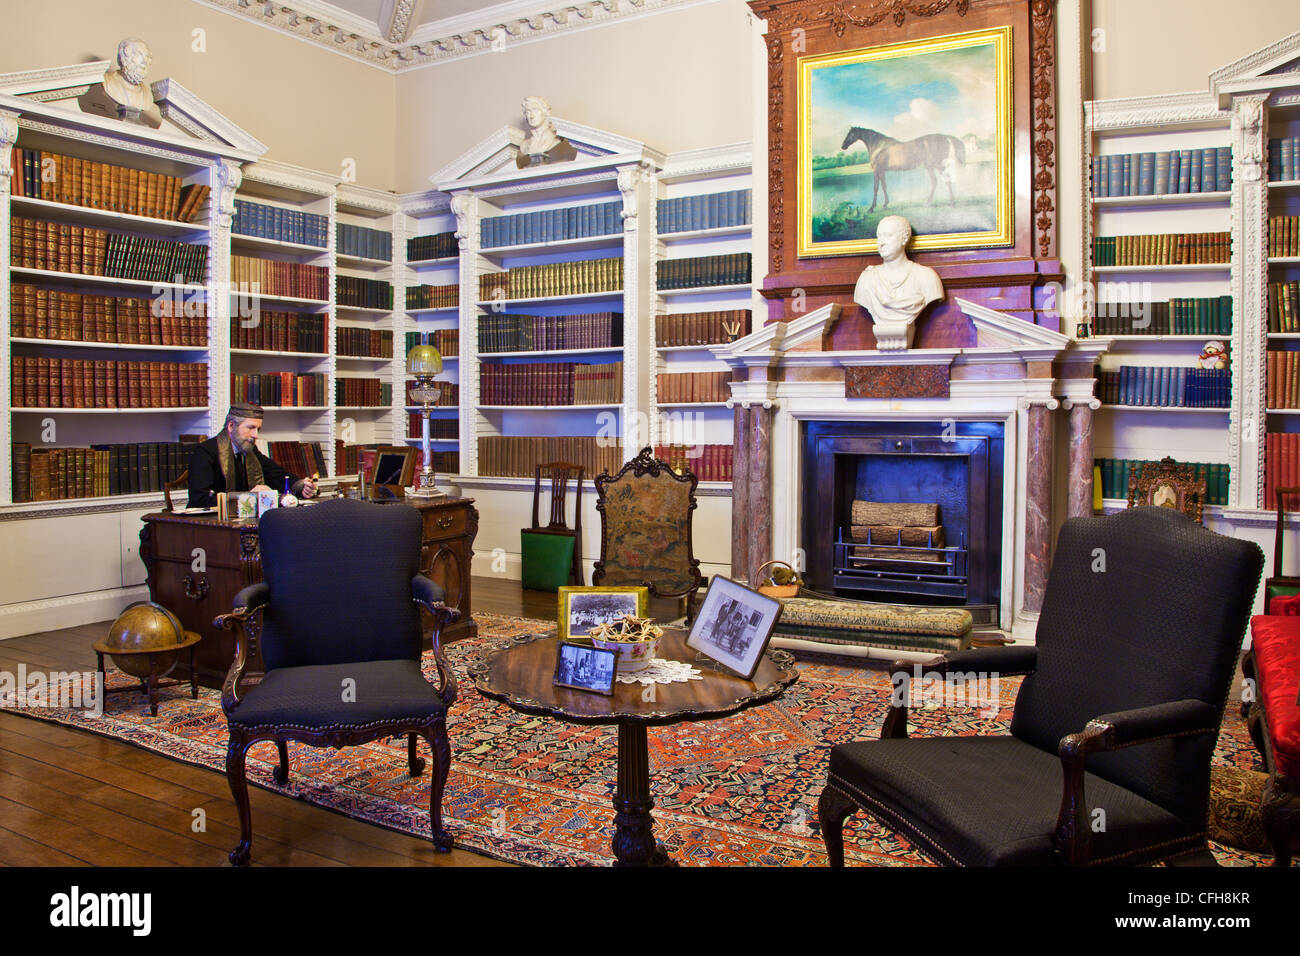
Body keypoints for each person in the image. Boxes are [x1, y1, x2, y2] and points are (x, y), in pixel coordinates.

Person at [187, 402, 317, 508]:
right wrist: (248, 497)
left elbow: (275, 474)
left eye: (258, 429)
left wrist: (301, 485)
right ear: (231, 426)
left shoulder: (249, 451)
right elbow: (199, 499)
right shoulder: (205, 452)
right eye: (250, 428)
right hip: (206, 526)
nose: (256, 435)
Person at [852, 215, 944, 349]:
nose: (881, 242)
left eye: (888, 236)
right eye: (879, 236)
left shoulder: (926, 277)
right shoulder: (867, 279)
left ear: (904, 238)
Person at [82, 37, 163, 128]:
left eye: (147, 57)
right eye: (138, 55)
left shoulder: (147, 95)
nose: (144, 61)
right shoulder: (109, 81)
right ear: (124, 58)